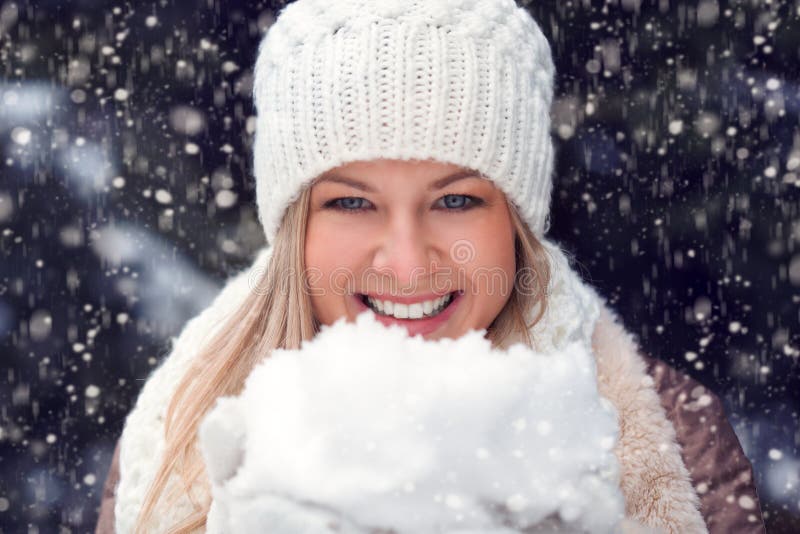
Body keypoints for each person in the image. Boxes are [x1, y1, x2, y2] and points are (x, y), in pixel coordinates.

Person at [95, 0, 766, 532]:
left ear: (515, 222)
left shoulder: (674, 438)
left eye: (455, 200)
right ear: (296, 229)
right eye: (352, 202)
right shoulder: (176, 443)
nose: (409, 263)